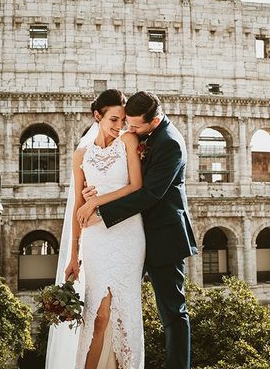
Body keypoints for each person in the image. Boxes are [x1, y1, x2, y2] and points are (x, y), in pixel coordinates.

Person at [77, 91, 198, 369]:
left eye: (135, 126)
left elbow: (150, 194)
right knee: (115, 304)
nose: (128, 130)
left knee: (172, 312)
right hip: (134, 234)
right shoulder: (146, 134)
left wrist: (102, 212)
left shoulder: (170, 144)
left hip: (164, 237)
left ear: (154, 121)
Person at [47, 88, 146, 369]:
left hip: (127, 233)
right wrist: (72, 255)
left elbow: (135, 187)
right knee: (98, 315)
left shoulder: (128, 141)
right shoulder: (81, 155)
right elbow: (79, 206)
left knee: (123, 312)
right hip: (95, 238)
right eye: (114, 120)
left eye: (122, 120)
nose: (119, 126)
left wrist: (97, 202)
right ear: (97, 116)